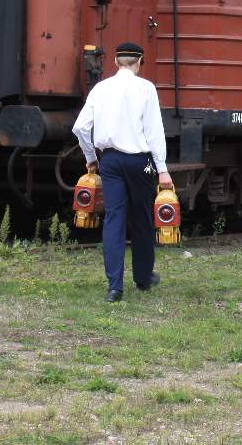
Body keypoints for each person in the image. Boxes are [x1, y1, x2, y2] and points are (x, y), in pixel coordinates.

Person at [71, 41, 174, 302]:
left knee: (113, 219)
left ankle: (114, 287)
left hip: (110, 162)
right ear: (139, 62)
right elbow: (154, 132)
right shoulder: (146, 88)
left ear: (115, 62)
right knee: (142, 217)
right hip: (141, 162)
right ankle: (143, 277)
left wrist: (91, 158)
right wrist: (162, 169)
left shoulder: (101, 88)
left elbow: (80, 128)